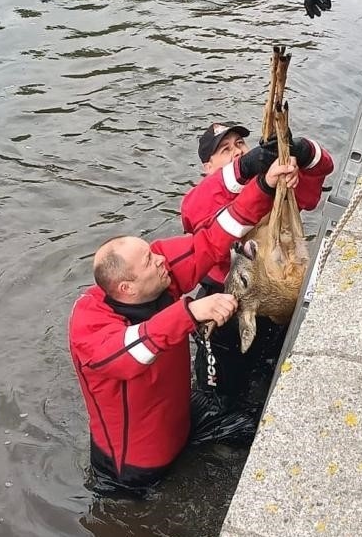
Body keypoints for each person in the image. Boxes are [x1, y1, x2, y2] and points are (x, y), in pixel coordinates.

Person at [68, 159, 298, 493]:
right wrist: (191, 312)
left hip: (181, 420)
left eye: (152, 252)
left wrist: (261, 182)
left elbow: (212, 239)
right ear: (125, 289)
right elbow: (128, 351)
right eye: (149, 260)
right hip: (134, 471)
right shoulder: (88, 325)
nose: (159, 257)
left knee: (258, 421)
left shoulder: (157, 279)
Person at [181, 122, 334, 409]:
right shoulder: (206, 195)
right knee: (219, 388)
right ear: (207, 166)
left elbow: (317, 182)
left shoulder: (273, 182)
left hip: (271, 295)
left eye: (240, 144)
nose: (236, 152)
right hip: (226, 299)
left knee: (266, 365)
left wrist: (302, 151)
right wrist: (247, 171)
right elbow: (192, 212)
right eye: (225, 150)